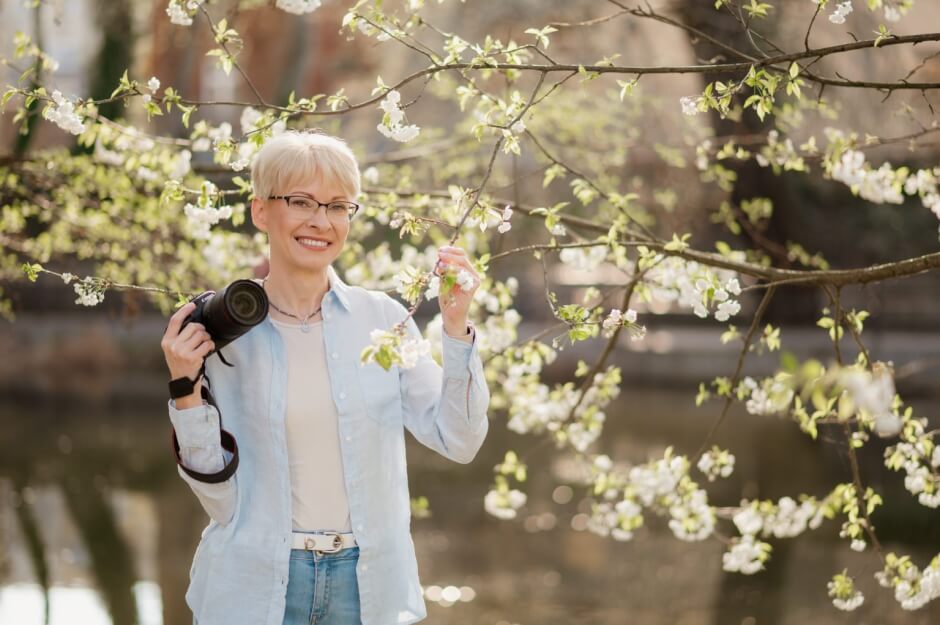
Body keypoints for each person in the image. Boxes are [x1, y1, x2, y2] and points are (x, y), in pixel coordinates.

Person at [160, 130, 490, 625]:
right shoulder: (221, 334)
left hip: (367, 588)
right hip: (252, 587)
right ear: (261, 211)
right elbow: (220, 502)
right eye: (301, 201)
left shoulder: (383, 319)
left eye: (338, 206)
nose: (321, 221)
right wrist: (185, 389)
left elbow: (459, 439)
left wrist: (455, 326)